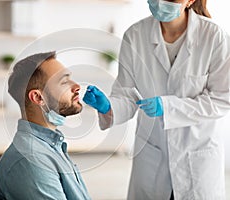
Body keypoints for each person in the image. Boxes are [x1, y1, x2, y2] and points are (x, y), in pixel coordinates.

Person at [83, 0, 230, 199]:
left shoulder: (213, 37)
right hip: (153, 155)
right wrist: (109, 106)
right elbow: (127, 94)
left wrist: (169, 107)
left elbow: (222, 99)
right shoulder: (135, 36)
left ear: (190, 1)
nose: (162, 2)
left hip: (197, 155)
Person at [0, 52, 91, 200]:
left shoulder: (50, 146)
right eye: (64, 82)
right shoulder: (32, 160)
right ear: (38, 97)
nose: (77, 86)